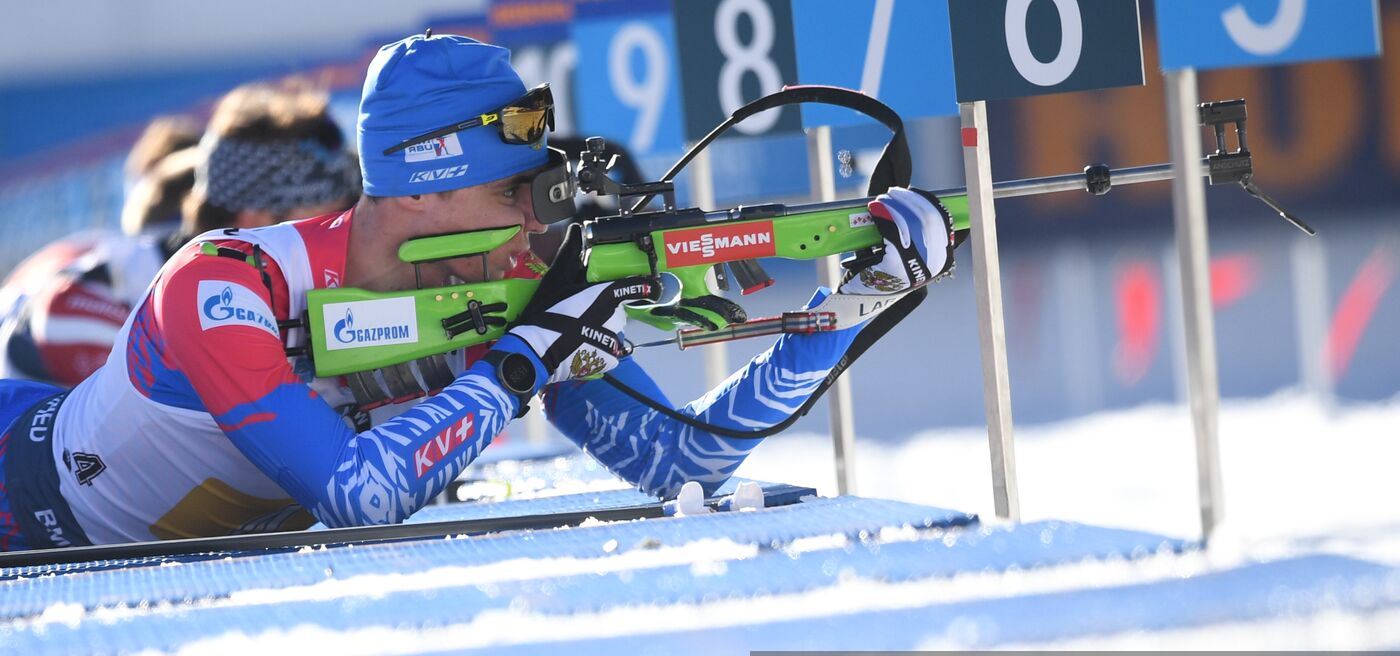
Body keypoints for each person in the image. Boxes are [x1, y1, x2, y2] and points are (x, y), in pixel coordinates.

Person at [0, 33, 955, 551]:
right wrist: (526, 356)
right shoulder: (220, 286)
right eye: (519, 192)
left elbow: (691, 468)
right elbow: (358, 498)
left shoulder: (504, 292)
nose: (539, 225)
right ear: (431, 186)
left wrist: (840, 311)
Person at [0, 82, 359, 387]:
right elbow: (59, 317)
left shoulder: (283, 296)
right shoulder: (105, 289)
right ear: (256, 217)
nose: (343, 231)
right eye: (330, 215)